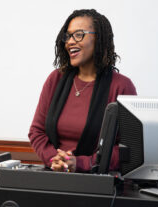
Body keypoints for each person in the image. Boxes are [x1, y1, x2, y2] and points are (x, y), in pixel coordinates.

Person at [28, 9, 136, 173]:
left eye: (78, 35)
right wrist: (56, 161)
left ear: (99, 39)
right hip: (53, 175)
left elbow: (127, 148)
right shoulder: (55, 79)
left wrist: (80, 164)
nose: (70, 42)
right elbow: (37, 131)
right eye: (68, 36)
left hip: (97, 182)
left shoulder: (121, 86)